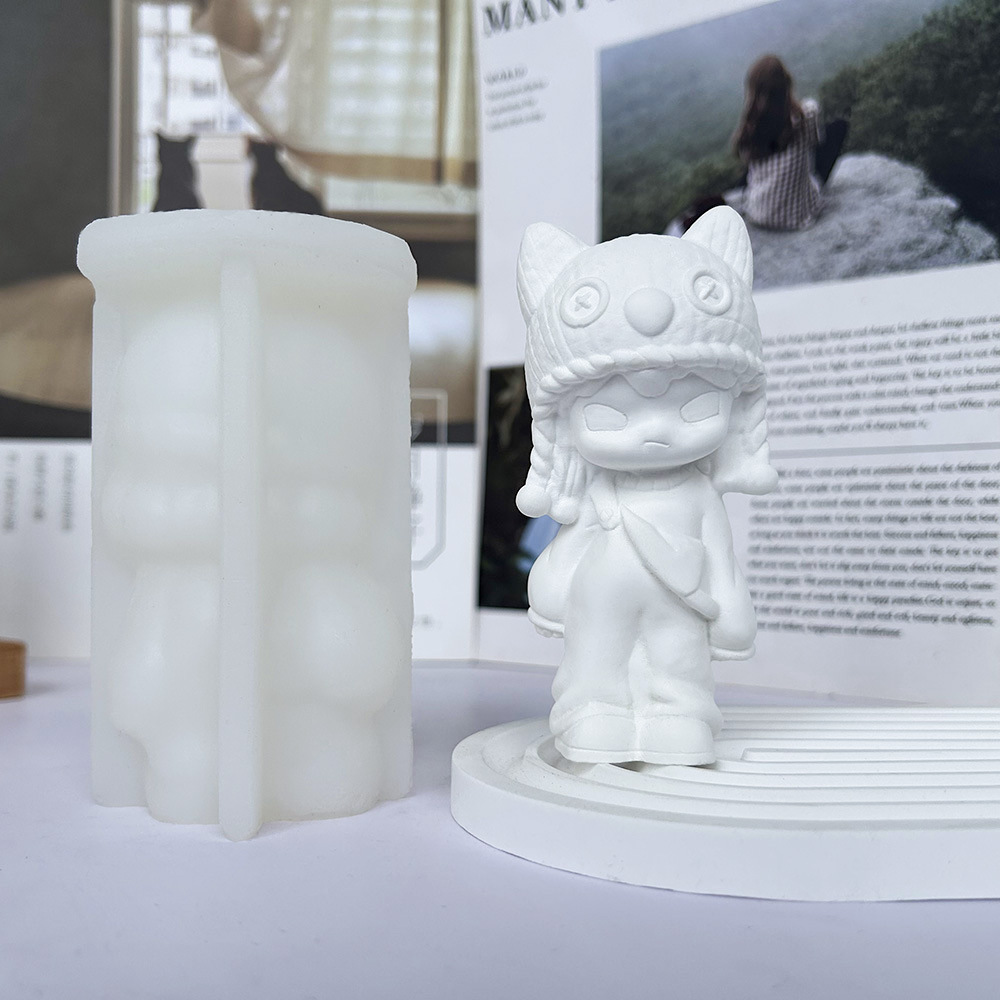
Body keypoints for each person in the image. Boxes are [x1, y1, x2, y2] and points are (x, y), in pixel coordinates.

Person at [514, 207, 778, 765]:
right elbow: (572, 544)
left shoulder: (698, 493)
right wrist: (552, 584)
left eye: (696, 408)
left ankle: (680, 714)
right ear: (562, 422)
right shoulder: (598, 491)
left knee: (679, 656)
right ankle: (592, 709)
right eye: (611, 416)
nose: (655, 432)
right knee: (595, 656)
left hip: (681, 598)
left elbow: (720, 557)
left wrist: (731, 604)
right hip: (598, 598)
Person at [733, 55, 842, 230]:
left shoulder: (749, 127)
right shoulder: (808, 113)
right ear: (787, 84)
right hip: (796, 217)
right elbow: (814, 142)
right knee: (838, 126)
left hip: (758, 213)